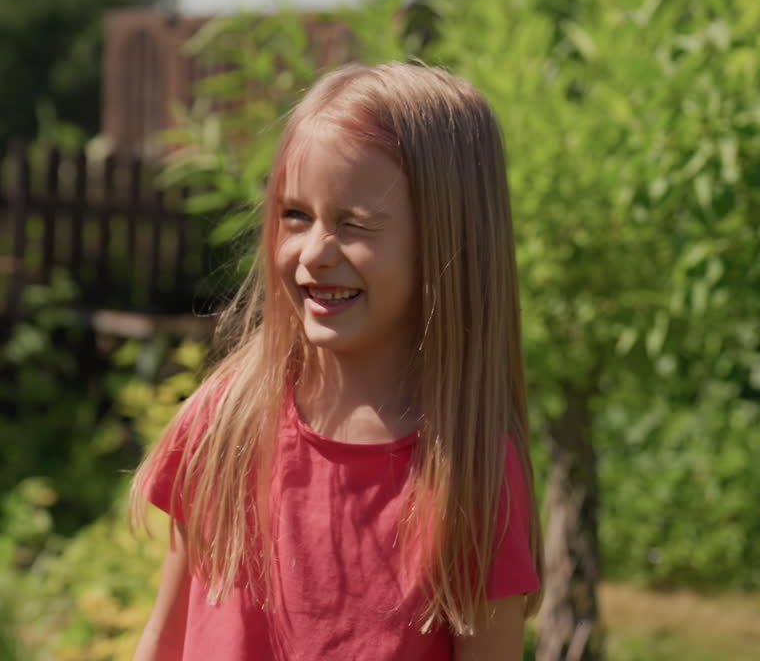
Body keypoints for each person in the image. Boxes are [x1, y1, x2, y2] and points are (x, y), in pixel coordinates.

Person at [129, 61, 543, 660]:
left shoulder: (471, 473)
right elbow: (163, 643)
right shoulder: (228, 421)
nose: (315, 252)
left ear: (446, 245)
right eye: (296, 215)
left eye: (355, 224)